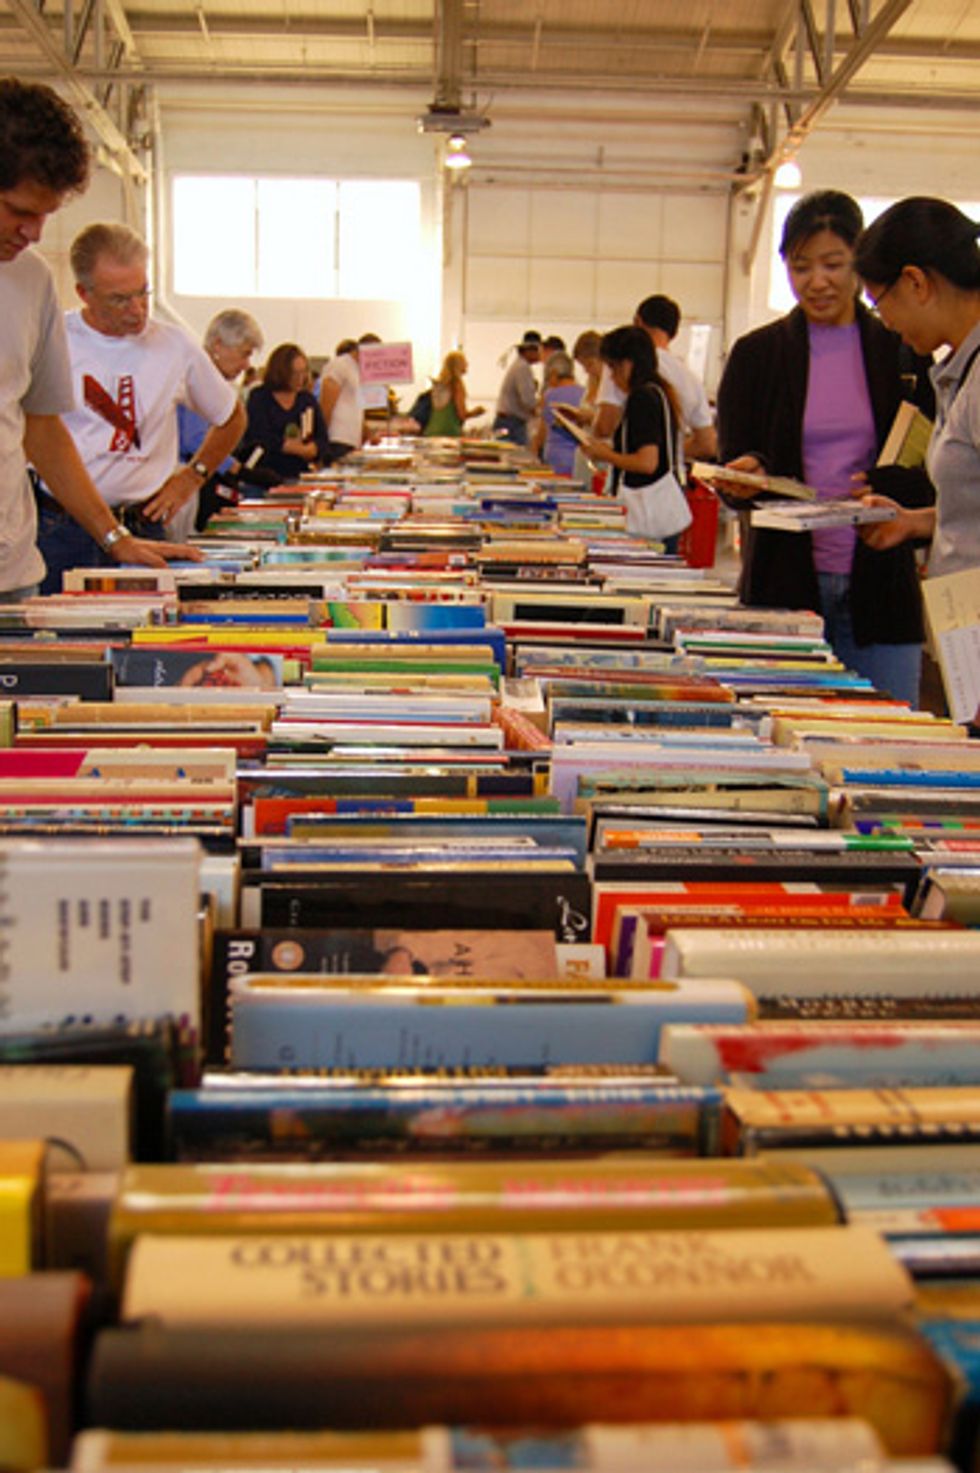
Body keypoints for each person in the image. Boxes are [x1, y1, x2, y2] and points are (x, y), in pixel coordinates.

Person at [715, 190, 935, 707]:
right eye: (801, 266)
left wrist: (891, 489)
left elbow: (938, 468)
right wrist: (746, 472)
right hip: (784, 583)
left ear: (861, 261)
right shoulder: (756, 355)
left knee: (888, 741)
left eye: (833, 264)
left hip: (881, 586)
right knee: (785, 742)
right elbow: (735, 469)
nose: (817, 281)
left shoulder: (901, 348)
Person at [0, 78, 197, 600]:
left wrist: (113, 535)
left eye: (45, 214)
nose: (35, 232)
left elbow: (43, 429)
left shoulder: (31, 279)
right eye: (20, 211)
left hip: (12, 572)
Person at [35, 220, 244, 593]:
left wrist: (192, 476)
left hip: (143, 522)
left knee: (146, 641)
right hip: (64, 528)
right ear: (84, 292)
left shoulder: (174, 345)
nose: (137, 309)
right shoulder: (55, 341)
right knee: (61, 643)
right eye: (120, 298)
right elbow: (38, 433)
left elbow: (231, 417)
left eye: (143, 292)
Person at [853, 197, 980, 582]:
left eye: (879, 304)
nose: (887, 323)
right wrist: (915, 523)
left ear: (915, 282)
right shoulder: (963, 369)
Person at [582, 325, 688, 550]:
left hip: (648, 512)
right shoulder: (658, 392)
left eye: (613, 367)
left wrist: (606, 454)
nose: (611, 376)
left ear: (628, 364)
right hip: (657, 509)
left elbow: (647, 462)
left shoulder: (642, 398)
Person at [178, 308, 265, 530]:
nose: (247, 365)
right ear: (218, 345)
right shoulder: (197, 377)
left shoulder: (214, 382)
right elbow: (195, 440)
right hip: (182, 482)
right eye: (244, 354)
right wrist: (236, 468)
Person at [243, 342, 331, 479]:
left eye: (303, 372)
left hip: (299, 475)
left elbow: (322, 438)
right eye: (295, 374)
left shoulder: (307, 400)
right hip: (264, 475)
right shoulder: (260, 397)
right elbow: (258, 435)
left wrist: (313, 449)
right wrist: (291, 447)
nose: (300, 379)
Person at [317, 333, 378, 456]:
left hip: (351, 441)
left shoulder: (359, 372)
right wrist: (321, 440)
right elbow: (326, 406)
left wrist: (367, 434)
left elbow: (357, 409)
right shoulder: (340, 366)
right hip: (336, 438)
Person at [533, 351, 584, 476]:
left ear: (554, 373)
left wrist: (533, 454)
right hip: (577, 461)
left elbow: (541, 435)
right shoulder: (584, 393)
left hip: (555, 461)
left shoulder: (550, 395)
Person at [493, 330, 541, 445]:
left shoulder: (518, 366)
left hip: (507, 420)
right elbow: (528, 400)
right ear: (529, 351)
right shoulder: (523, 368)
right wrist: (540, 410)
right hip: (512, 423)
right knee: (515, 458)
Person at [422, 351, 484, 438]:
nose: (467, 364)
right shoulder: (456, 384)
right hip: (449, 431)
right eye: (464, 362)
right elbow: (462, 414)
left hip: (431, 431)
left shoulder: (439, 384)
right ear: (459, 365)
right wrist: (477, 412)